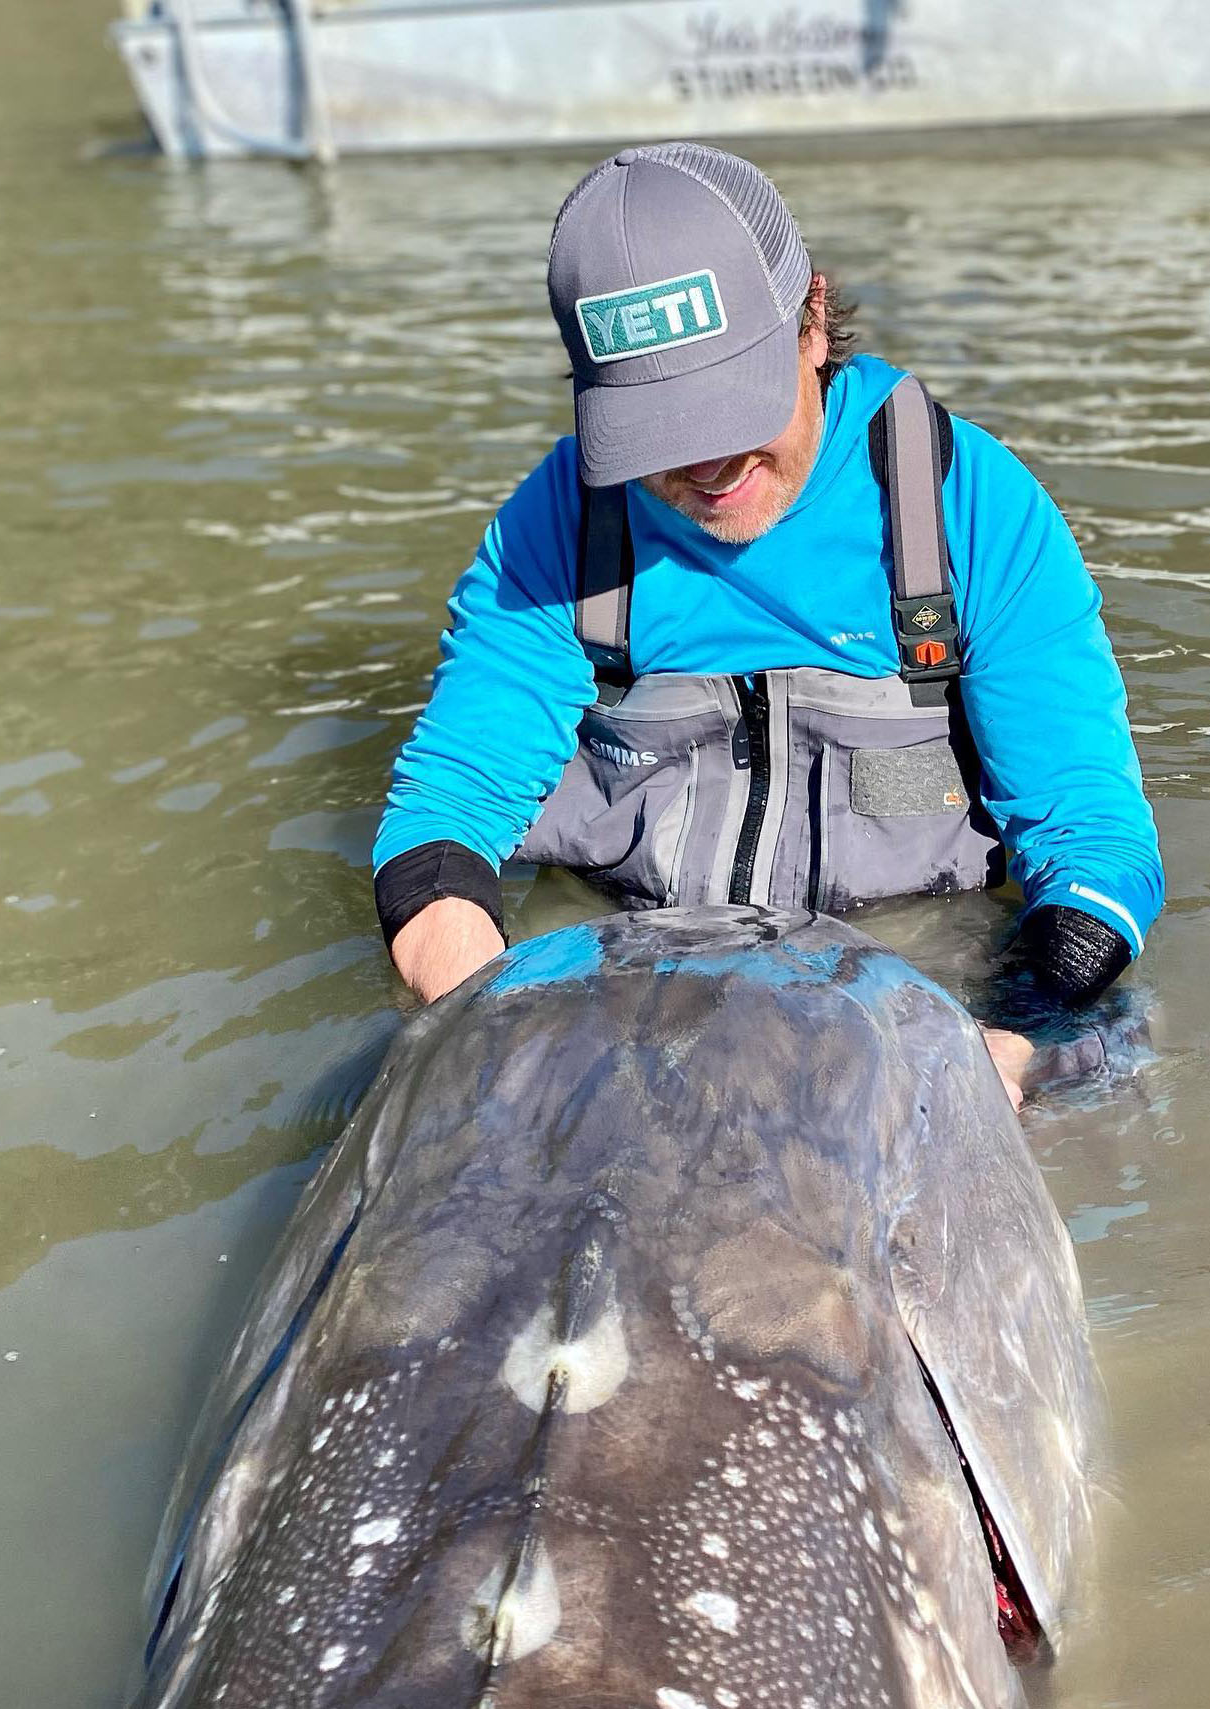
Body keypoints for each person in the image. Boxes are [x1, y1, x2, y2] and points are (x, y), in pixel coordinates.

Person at [371, 143, 1160, 1102]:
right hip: (629, 979)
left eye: (731, 405)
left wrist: (1014, 1036)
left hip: (919, 972)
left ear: (813, 320)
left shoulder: (970, 504)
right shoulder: (558, 524)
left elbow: (1091, 831)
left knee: (1122, 1059)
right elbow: (449, 813)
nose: (708, 466)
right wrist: (501, 1043)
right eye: (660, 428)